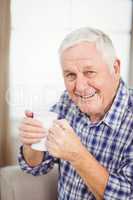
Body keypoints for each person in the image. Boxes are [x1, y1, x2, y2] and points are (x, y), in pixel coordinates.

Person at [18, 27, 133, 200]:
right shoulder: (68, 101)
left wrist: (78, 156)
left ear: (115, 69)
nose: (79, 87)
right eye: (70, 75)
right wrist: (32, 141)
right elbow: (36, 166)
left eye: (90, 72)